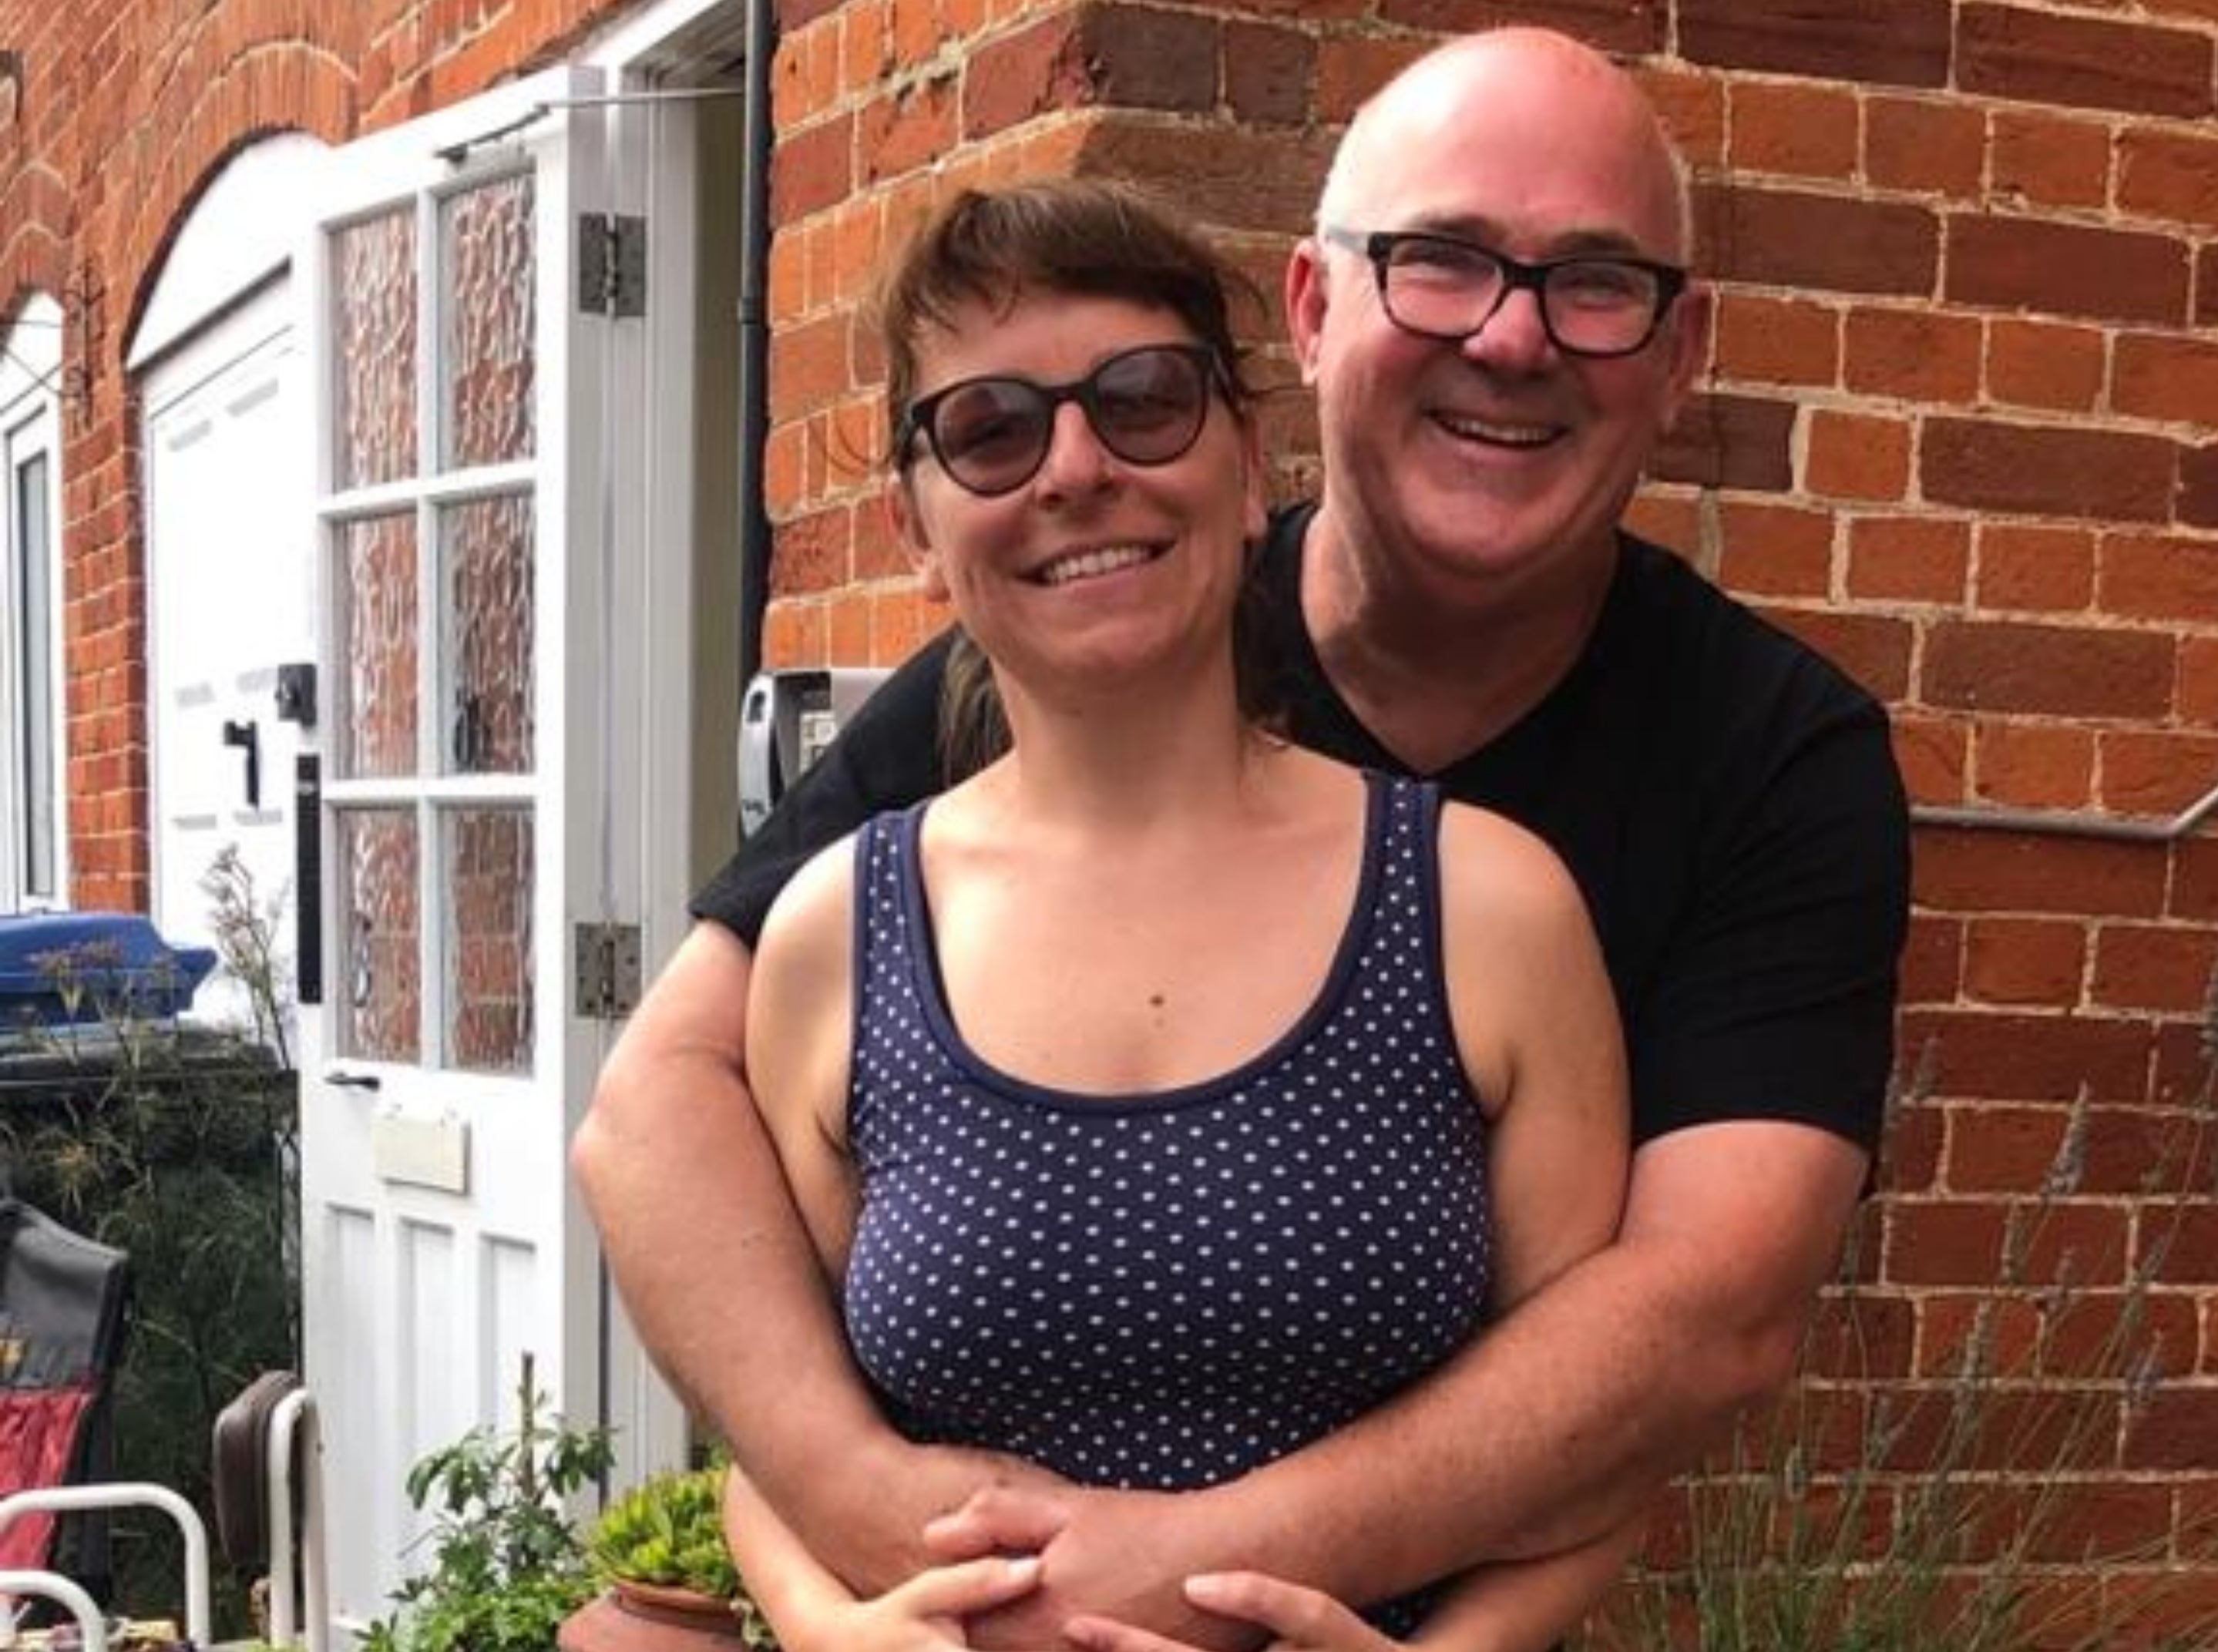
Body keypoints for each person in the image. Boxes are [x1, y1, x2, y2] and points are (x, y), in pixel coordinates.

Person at [573, 23, 1909, 1649]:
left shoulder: (1688, 804)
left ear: (1233, 447)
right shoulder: (908, 840)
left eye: (1594, 282)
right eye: (1441, 261)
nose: (1511, 337)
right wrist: (839, 1564)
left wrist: (1192, 1575)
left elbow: (1684, 1336)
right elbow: (674, 1159)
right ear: (1314, 311)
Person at [721, 178, 1632, 1652]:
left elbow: (1591, 1464)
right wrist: (829, 1626)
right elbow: (783, 1434)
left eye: (1143, 399)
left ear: (1247, 455)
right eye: (992, 430)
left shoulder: (1486, 911)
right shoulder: (839, 937)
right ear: (914, 517)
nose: (1076, 469)